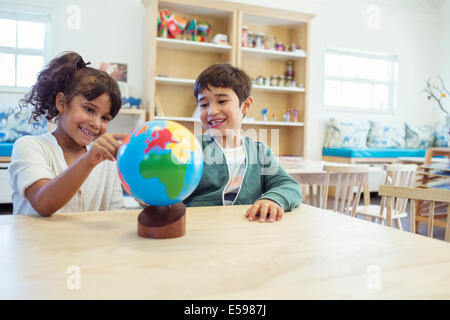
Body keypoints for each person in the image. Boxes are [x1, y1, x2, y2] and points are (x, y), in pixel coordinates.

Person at [8, 51, 126, 216]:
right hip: (35, 242)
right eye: (89, 109)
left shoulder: (106, 162)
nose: (96, 123)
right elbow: (43, 203)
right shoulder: (29, 146)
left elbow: (115, 215)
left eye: (105, 118)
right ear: (62, 103)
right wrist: (89, 160)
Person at [183, 63, 302, 222]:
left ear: (245, 105)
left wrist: (272, 199)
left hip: (246, 230)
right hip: (199, 229)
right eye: (204, 104)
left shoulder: (260, 153)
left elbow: (289, 186)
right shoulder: (189, 147)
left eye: (222, 101)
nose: (211, 111)